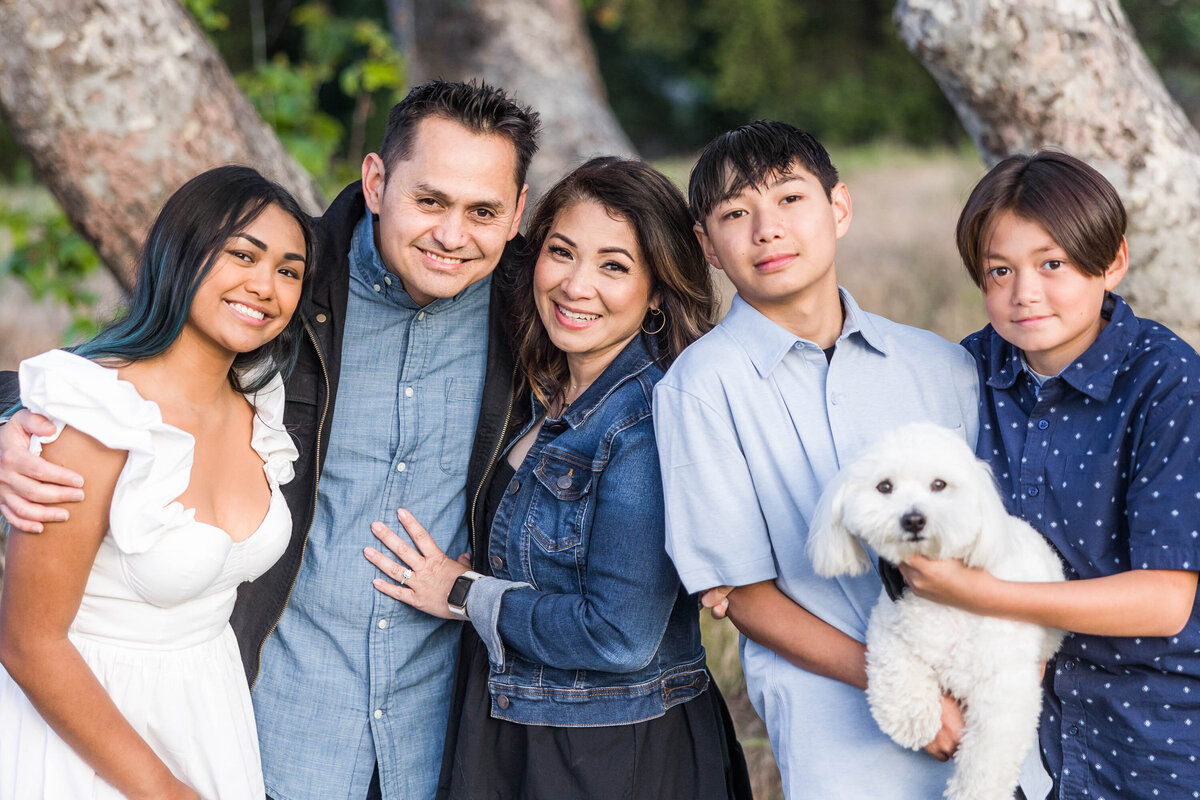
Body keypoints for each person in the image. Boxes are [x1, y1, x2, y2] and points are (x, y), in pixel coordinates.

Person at [0, 80, 539, 799]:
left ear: (517, 214)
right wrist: (13, 425)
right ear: (376, 181)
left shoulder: (537, 311)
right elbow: (125, 366)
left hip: (440, 738)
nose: (452, 235)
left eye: (482, 211)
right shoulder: (289, 283)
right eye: (430, 201)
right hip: (271, 724)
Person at [360, 156, 752, 800]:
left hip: (610, 749)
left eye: (614, 266)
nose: (575, 285)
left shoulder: (647, 420)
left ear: (657, 288)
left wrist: (464, 593)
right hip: (522, 726)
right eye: (561, 252)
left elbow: (620, 635)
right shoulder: (548, 388)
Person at [651, 120, 981, 798]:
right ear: (707, 245)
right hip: (841, 739)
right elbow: (741, 592)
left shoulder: (942, 366)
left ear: (839, 208)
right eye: (735, 213)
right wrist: (905, 690)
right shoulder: (701, 387)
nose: (766, 229)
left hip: (985, 715)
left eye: (789, 199)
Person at [0, 165, 313, 799]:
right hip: (86, 729)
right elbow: (29, 642)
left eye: (288, 271)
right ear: (183, 254)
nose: (265, 286)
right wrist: (165, 792)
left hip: (210, 715)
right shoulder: (95, 414)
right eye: (242, 256)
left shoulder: (259, 412)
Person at [897, 151, 1200, 800]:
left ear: (1112, 261)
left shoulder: (1166, 382)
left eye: (1052, 264)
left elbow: (1163, 599)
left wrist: (977, 595)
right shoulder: (968, 371)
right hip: (1012, 719)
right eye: (999, 271)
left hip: (1156, 725)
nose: (1023, 293)